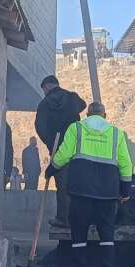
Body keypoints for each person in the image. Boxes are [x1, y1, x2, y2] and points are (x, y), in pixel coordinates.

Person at [51, 102, 133, 267]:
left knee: (79, 231)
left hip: (81, 191)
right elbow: (126, 164)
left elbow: (64, 154)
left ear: (87, 115)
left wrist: (52, 168)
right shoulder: (116, 134)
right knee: (107, 233)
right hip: (107, 193)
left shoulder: (76, 128)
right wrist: (125, 190)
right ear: (105, 115)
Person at [35, 75, 86, 228]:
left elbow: (40, 127)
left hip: (58, 148)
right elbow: (82, 105)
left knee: (62, 184)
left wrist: (51, 143)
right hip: (76, 149)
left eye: (43, 89)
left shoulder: (45, 103)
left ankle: (64, 218)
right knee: (76, 183)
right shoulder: (72, 98)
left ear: (47, 87)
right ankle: (78, 218)